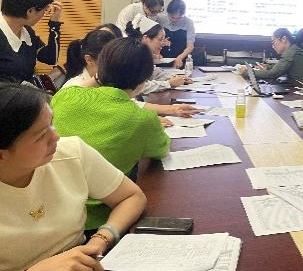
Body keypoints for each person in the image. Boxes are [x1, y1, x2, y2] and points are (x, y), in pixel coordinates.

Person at [0, 83, 146, 271]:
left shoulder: (70, 153)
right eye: (41, 135)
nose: (56, 137)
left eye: (51, 123)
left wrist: (101, 239)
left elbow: (131, 196)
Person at [51, 37, 170, 230]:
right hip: (102, 217)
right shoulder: (143, 119)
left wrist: (99, 78)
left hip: (54, 208)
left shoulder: (65, 95)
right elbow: (161, 149)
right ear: (143, 80)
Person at [61, 27, 197, 120]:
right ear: (89, 60)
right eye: (108, 60)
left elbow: (128, 104)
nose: (115, 64)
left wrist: (172, 110)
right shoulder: (74, 88)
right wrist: (142, 121)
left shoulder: (105, 80)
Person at [0, 0, 63, 83]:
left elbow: (50, 58)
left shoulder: (27, 32)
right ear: (30, 11)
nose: (44, 14)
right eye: (45, 10)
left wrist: (54, 25)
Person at [125, 15, 192, 93]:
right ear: (145, 39)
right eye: (160, 39)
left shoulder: (143, 56)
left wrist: (176, 78)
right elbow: (138, 87)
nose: (163, 43)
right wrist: (168, 83)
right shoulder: (131, 57)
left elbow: (154, 73)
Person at [238, 28, 303, 85]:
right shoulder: (293, 50)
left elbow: (272, 74)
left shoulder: (292, 53)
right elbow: (281, 67)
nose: (273, 46)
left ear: (284, 39)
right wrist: (267, 67)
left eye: (274, 42)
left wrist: (247, 72)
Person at [157, 0, 195, 69]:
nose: (175, 20)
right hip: (161, 59)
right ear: (168, 13)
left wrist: (180, 57)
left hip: (180, 59)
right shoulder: (160, 19)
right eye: (172, 17)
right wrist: (157, 51)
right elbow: (153, 40)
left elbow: (190, 46)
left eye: (179, 18)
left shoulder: (189, 22)